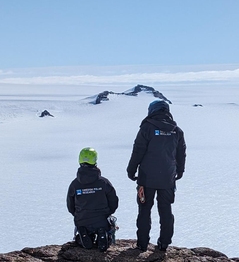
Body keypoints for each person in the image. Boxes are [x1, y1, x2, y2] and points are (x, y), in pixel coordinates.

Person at [127, 100, 186, 252]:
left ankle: (142, 244)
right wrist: (179, 171)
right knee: (165, 209)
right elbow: (181, 154)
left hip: (146, 179)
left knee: (144, 210)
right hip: (168, 178)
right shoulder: (176, 131)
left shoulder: (146, 128)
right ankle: (164, 243)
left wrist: (131, 170)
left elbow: (138, 151)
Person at [67, 147, 119, 252]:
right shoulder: (103, 183)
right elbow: (114, 201)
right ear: (95, 160)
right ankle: (102, 233)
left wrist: (79, 214)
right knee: (103, 227)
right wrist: (108, 212)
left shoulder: (74, 184)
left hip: (82, 219)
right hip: (101, 219)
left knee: (84, 229)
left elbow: (70, 205)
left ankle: (84, 234)